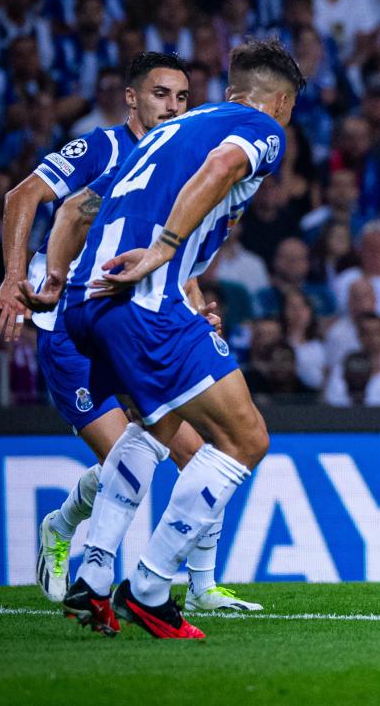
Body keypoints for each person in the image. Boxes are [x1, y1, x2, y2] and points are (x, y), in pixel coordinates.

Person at [29, 39, 303, 640]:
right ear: (278, 102)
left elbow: (77, 209)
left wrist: (55, 276)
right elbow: (223, 169)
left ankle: (94, 577)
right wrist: (166, 249)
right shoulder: (260, 128)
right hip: (141, 301)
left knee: (151, 428)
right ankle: (152, 588)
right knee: (244, 437)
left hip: (86, 301)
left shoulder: (166, 132)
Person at [0, 51, 259, 615]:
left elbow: (165, 260)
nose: (173, 107)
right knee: (129, 463)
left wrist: (192, 305)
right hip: (70, 329)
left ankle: (202, 586)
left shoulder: (179, 156)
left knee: (193, 454)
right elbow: (27, 199)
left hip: (136, 324)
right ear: (130, 97)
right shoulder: (104, 148)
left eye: (183, 98)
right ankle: (65, 530)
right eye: (161, 94)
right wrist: (17, 280)